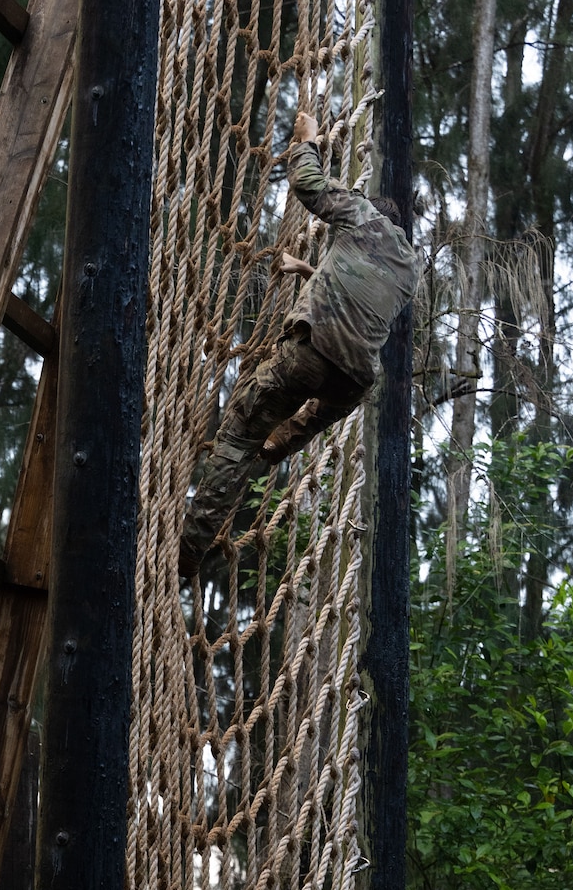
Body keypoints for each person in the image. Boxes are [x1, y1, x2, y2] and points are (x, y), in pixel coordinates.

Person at [179, 111, 420, 570]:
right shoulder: (410, 269)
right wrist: (306, 270)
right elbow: (358, 296)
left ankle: (190, 550)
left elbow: (308, 184)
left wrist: (306, 139)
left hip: (310, 354)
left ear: (371, 211)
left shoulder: (362, 217)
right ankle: (274, 449)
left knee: (239, 434)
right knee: (282, 436)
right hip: (351, 381)